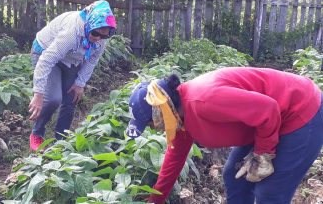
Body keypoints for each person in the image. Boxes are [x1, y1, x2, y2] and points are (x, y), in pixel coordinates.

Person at [125, 67, 323, 204]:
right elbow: (173, 160)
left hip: (300, 111)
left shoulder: (203, 100)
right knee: (233, 176)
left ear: (160, 113)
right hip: (263, 123)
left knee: (270, 193)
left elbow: (269, 109)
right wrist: (155, 200)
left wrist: (263, 153)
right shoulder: (181, 120)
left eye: (150, 124)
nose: (152, 129)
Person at [28, 0, 116, 151]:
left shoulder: (101, 38)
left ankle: (61, 141)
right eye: (95, 34)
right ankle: (37, 133)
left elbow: (92, 60)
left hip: (71, 59)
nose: (98, 39)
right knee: (53, 99)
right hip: (46, 52)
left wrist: (80, 83)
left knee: (72, 98)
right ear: (89, 24)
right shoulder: (72, 33)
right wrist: (38, 93)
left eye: (103, 36)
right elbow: (47, 59)